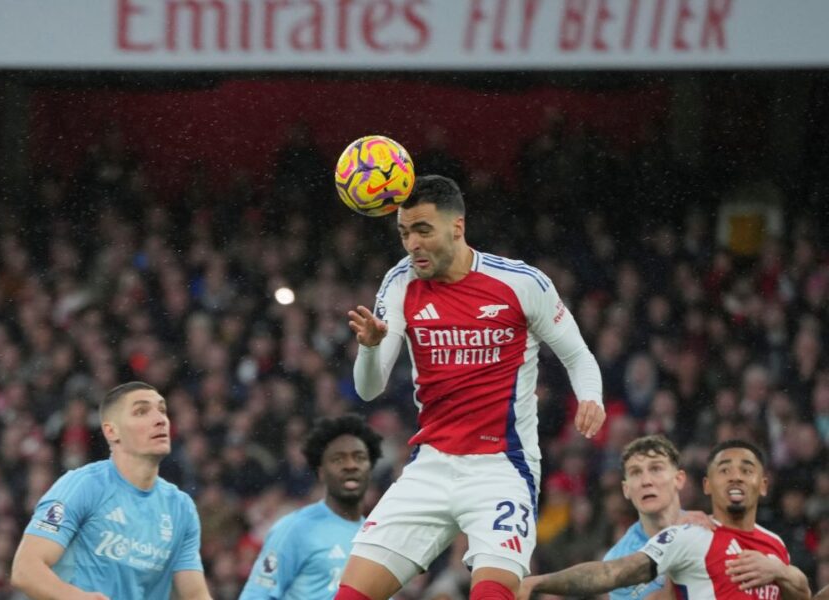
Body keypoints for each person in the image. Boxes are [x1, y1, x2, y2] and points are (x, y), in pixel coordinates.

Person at [340, 175, 606, 600]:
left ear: (457, 227)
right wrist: (370, 350)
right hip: (430, 467)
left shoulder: (522, 283)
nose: (412, 244)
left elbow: (578, 356)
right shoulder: (400, 282)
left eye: (423, 230)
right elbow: (368, 389)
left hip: (501, 469)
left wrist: (590, 397)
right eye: (405, 232)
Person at [521, 440, 812, 600]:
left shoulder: (774, 545)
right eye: (724, 470)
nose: (735, 476)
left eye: (746, 469)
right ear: (707, 485)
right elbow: (612, 573)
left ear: (763, 485)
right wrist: (538, 583)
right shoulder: (686, 538)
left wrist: (783, 572)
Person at [10, 381, 211, 600]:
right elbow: (25, 570)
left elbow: (195, 595)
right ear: (111, 431)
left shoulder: (181, 507)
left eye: (162, 410)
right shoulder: (83, 486)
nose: (160, 419)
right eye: (142, 411)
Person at [239, 414, 383, 600]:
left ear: (370, 470)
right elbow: (256, 595)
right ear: (322, 472)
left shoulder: (376, 539)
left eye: (359, 458)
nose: (350, 466)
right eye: (338, 459)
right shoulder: (295, 529)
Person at [602, 434, 714, 600]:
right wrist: (676, 541)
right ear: (626, 489)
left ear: (679, 479)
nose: (646, 481)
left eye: (656, 469)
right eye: (635, 473)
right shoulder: (618, 560)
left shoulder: (708, 528)